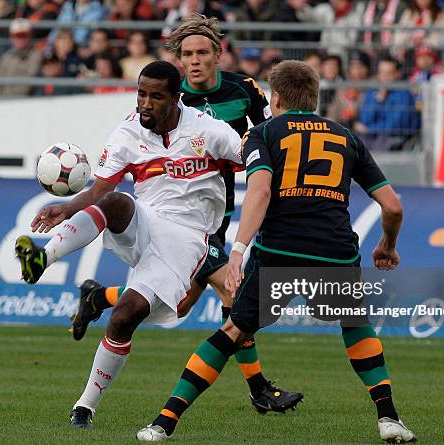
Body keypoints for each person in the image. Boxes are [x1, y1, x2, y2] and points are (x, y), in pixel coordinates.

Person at [136, 60, 416, 444]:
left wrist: (237, 250)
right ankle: (389, 418)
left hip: (280, 248)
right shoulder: (345, 136)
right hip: (334, 250)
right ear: (315, 97)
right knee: (355, 326)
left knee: (234, 330)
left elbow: (261, 191)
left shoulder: (264, 133)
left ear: (277, 97)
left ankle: (163, 423)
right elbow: (393, 207)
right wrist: (387, 244)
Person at [15, 61, 269, 428]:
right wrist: (67, 208)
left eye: (155, 96)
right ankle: (44, 255)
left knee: (125, 317)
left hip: (187, 238)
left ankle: (84, 406)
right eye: (141, 94)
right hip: (146, 220)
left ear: (176, 98)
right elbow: (101, 188)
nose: (145, 103)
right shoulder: (126, 133)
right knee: (117, 202)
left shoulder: (207, 130)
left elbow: (252, 157)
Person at [72, 14, 302, 415]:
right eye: (187, 54)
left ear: (218, 54)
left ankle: (99, 296)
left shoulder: (244, 89)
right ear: (178, 60)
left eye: (202, 53)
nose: (194, 61)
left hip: (220, 210)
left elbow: (268, 135)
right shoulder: (171, 103)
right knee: (235, 292)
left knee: (179, 307)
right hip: (181, 222)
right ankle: (259, 389)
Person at [354, 56, 420, 151]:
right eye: (382, 73)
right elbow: (364, 120)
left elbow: (396, 126)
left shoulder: (404, 95)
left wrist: (369, 129)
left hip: (396, 138)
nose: (384, 77)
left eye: (389, 73)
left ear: (397, 74)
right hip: (373, 136)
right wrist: (378, 101)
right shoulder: (373, 91)